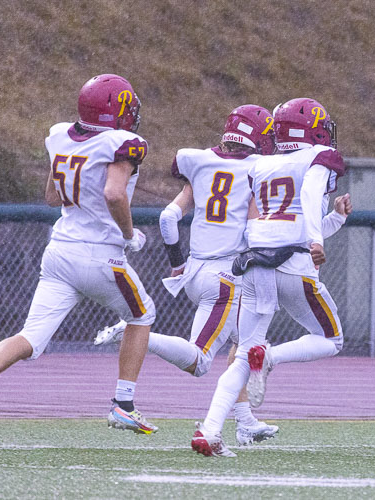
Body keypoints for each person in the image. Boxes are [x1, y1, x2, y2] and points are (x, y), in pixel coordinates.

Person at [0, 74, 157, 435]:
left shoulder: (60, 135)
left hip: (59, 252)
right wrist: (129, 235)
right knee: (143, 315)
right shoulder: (124, 142)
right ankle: (124, 405)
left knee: (32, 336)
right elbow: (115, 194)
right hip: (100, 253)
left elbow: (53, 198)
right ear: (116, 111)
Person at [94, 104, 282, 446]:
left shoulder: (200, 162)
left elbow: (168, 218)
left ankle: (244, 422)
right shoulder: (259, 169)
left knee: (247, 339)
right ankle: (136, 335)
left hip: (195, 270)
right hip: (226, 278)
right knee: (200, 361)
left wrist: (177, 263)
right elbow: (256, 232)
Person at [190, 97, 348, 457]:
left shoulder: (261, 164)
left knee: (244, 353)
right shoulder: (319, 157)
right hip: (293, 262)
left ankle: (210, 431)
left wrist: (333, 221)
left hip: (256, 262)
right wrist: (316, 239)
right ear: (314, 129)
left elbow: (280, 219)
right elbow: (307, 195)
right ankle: (272, 357)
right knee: (330, 338)